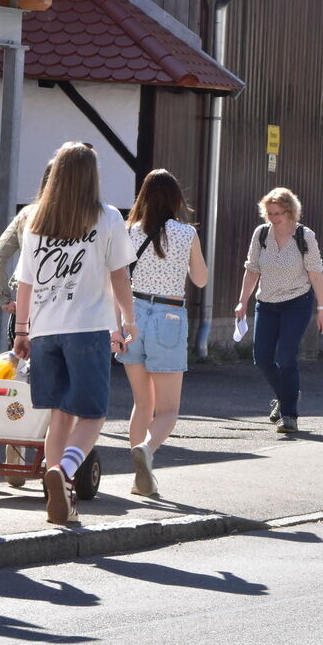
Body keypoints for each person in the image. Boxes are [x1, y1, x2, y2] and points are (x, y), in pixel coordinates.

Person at [12, 142, 137, 525]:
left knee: (59, 417)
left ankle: (59, 498)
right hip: (88, 329)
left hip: (45, 330)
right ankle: (64, 472)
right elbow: (119, 276)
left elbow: (25, 283)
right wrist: (126, 322)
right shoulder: (109, 218)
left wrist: (21, 330)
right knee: (94, 414)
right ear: (91, 177)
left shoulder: (35, 219)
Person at [119, 169, 208, 495]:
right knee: (168, 409)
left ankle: (139, 478)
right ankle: (147, 449)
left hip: (133, 316)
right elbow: (200, 279)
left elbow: (116, 278)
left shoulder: (128, 231)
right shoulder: (186, 234)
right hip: (169, 316)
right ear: (175, 199)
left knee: (142, 403)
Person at [236, 187, 323, 434]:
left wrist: (321, 309)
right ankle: (288, 394)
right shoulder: (261, 234)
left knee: (286, 356)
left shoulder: (304, 236)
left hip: (296, 302)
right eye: (269, 213)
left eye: (278, 213)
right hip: (266, 303)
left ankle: (289, 415)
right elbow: (252, 268)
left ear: (290, 212)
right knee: (262, 358)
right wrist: (242, 301)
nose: (273, 218)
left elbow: (315, 272)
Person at [0, 162, 52, 486]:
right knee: (53, 385)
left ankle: (15, 455)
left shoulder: (28, 214)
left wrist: (4, 299)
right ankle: (50, 458)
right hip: (61, 311)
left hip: (23, 310)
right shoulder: (80, 217)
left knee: (20, 380)